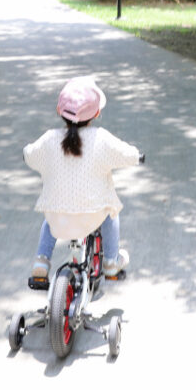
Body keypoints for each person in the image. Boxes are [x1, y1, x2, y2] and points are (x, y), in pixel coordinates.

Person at [23, 76, 141, 286]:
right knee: (110, 213)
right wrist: (136, 156)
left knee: (50, 216)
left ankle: (42, 261)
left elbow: (30, 155)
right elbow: (127, 155)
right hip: (92, 215)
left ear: (60, 111)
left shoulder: (50, 138)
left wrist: (26, 153)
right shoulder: (101, 139)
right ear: (96, 113)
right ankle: (111, 260)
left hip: (59, 220)